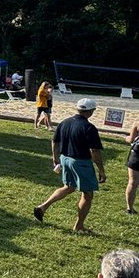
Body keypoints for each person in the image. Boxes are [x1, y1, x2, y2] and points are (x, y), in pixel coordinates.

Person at [33, 98, 105, 234]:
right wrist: (101, 170)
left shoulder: (64, 122)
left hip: (65, 159)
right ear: (90, 111)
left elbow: (54, 142)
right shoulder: (89, 128)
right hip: (81, 162)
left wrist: (55, 159)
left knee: (68, 187)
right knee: (87, 194)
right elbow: (94, 151)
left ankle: (43, 207)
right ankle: (79, 226)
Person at [125, 120, 139, 215]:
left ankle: (129, 208)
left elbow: (131, 139)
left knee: (132, 182)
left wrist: (126, 138)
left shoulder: (137, 122)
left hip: (137, 155)